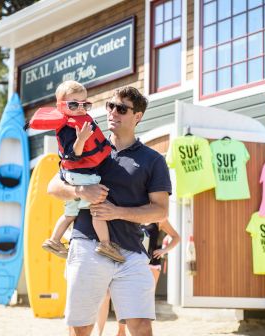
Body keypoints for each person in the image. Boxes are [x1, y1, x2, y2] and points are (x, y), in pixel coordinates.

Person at [48, 86, 172, 336]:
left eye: (122, 108)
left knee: (141, 326)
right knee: (81, 327)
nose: (113, 112)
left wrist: (117, 211)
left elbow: (160, 211)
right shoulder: (88, 146)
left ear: (137, 117)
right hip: (87, 246)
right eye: (110, 106)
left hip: (132, 252)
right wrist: (81, 190)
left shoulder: (153, 160)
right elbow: (53, 186)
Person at [29, 80, 124, 262]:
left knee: (70, 213)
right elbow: (73, 154)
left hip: (73, 175)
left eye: (85, 104)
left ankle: (54, 240)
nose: (80, 108)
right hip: (82, 176)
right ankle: (105, 243)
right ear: (61, 106)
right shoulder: (67, 128)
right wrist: (81, 139)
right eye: (74, 104)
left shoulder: (78, 122)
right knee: (97, 208)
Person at [96, 218, 180, 336]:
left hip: (152, 264)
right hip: (129, 261)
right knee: (122, 297)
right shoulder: (131, 215)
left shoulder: (159, 220)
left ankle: (141, 330)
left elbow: (176, 237)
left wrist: (164, 250)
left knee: (145, 300)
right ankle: (121, 331)